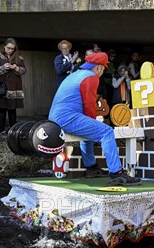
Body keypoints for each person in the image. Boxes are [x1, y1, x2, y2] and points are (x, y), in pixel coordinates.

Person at [49, 52, 141, 186]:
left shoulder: (75, 75)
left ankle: (91, 168)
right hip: (67, 117)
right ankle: (116, 173)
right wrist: (94, 118)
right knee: (106, 132)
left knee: (90, 131)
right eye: (103, 69)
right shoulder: (91, 77)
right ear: (98, 68)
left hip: (57, 117)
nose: (102, 72)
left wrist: (92, 120)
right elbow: (89, 104)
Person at [0, 38, 26, 136]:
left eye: (12, 49)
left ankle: (12, 130)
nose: (10, 50)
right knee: (1, 109)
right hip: (1, 87)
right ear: (4, 46)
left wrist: (16, 68)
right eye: (8, 48)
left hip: (14, 87)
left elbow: (23, 71)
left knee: (12, 109)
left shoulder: (19, 58)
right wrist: (3, 68)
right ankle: (2, 131)